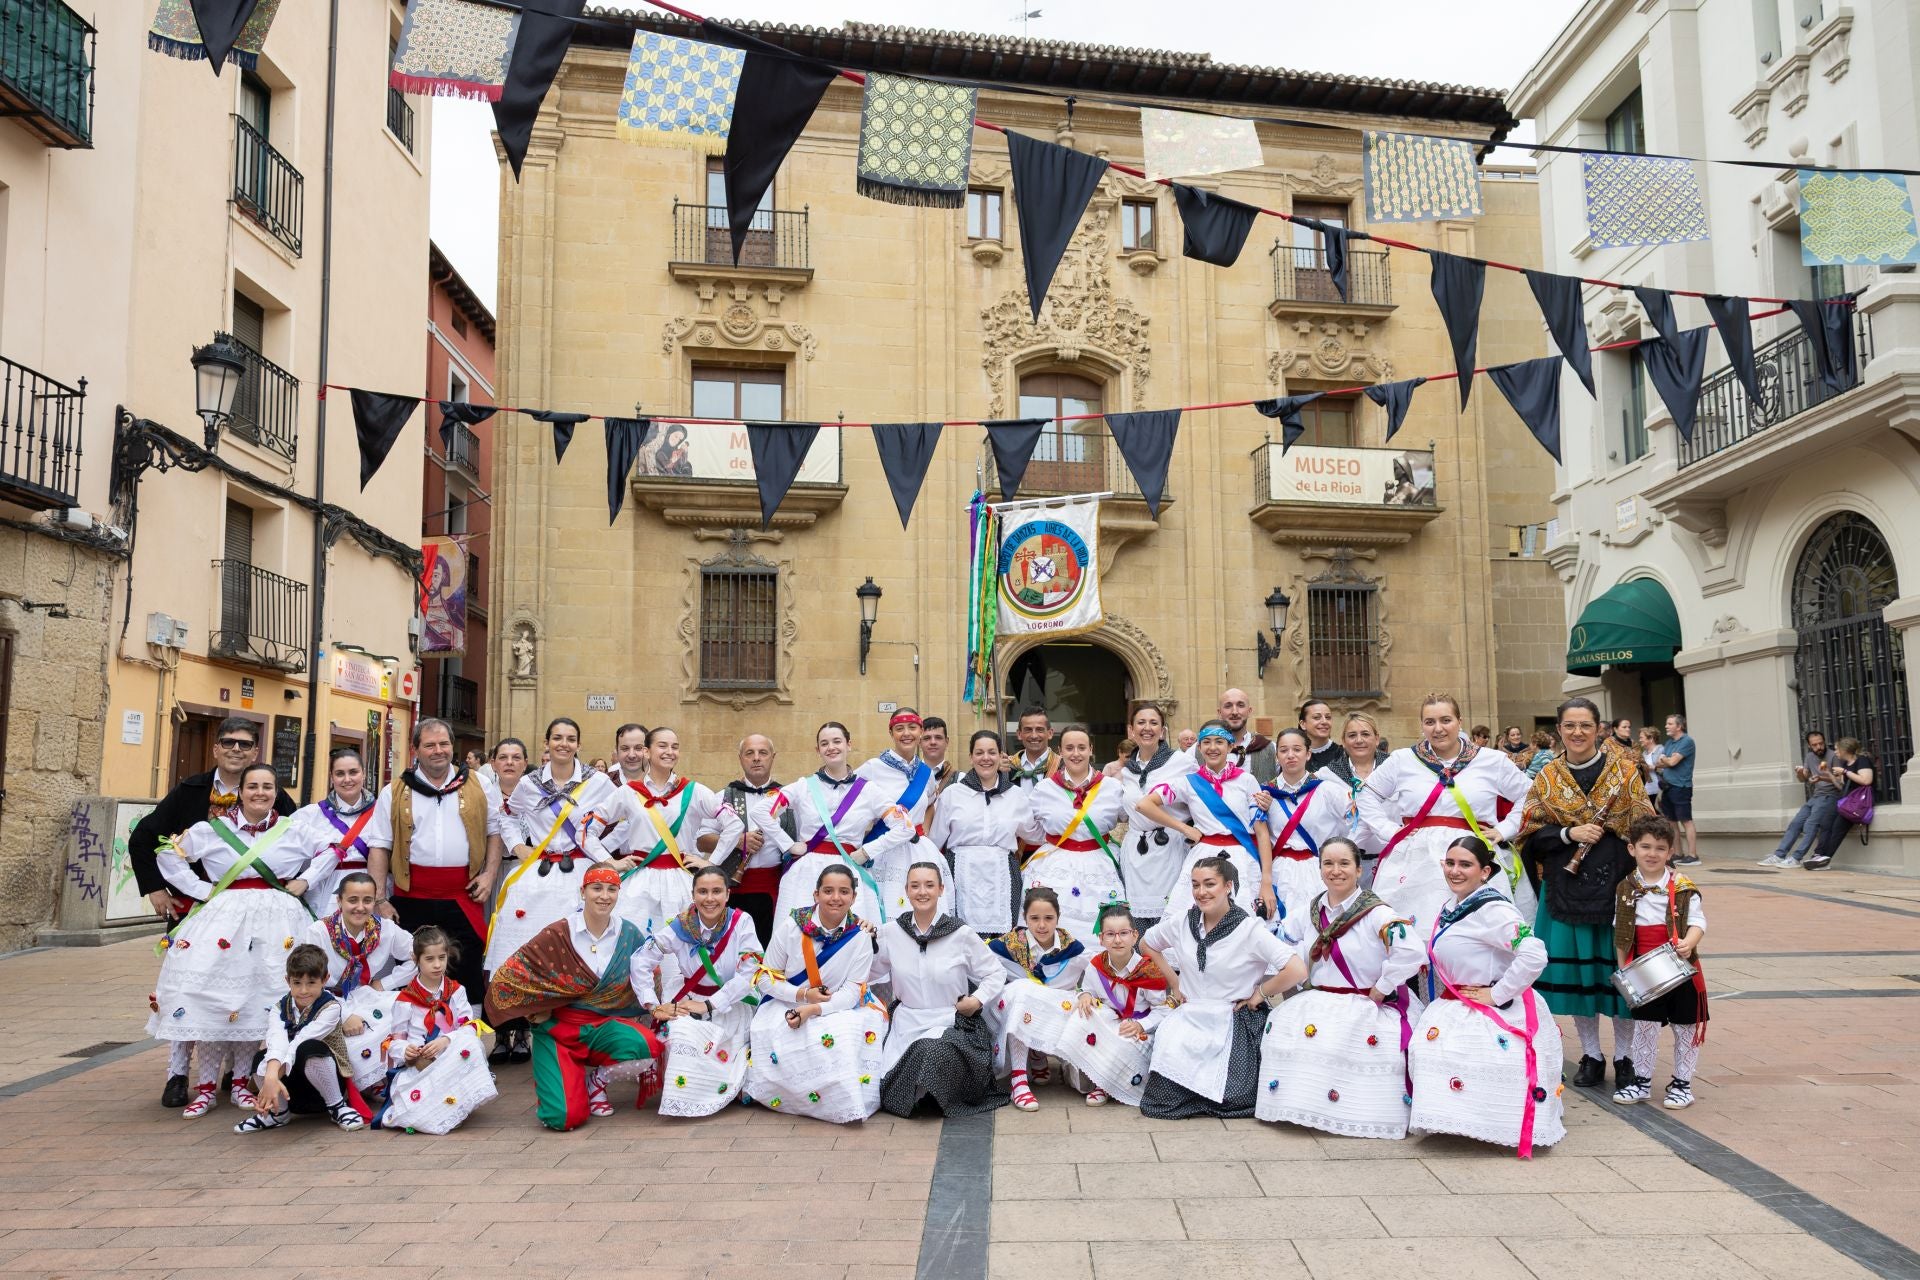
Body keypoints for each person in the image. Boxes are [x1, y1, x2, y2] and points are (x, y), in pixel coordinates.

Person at [129, 715, 296, 1108]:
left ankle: (233, 1074)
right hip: (198, 907)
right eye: (229, 743)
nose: (236, 749)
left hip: (252, 916)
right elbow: (145, 837)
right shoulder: (191, 790)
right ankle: (178, 1074)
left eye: (245, 744)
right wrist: (156, 887)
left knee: (243, 986)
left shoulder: (272, 792)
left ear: (256, 752)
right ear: (216, 748)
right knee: (191, 986)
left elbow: (291, 839)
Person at [148, 761, 315, 1119]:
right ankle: (205, 1086)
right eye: (253, 786)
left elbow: (333, 851)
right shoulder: (212, 830)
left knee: (257, 999)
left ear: (276, 793)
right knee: (213, 997)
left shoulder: (294, 829)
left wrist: (306, 880)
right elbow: (167, 852)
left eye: (267, 787)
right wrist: (199, 889)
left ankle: (240, 1082)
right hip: (223, 921)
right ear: (240, 791)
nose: (260, 793)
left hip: (276, 922)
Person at [1518, 697, 1652, 1091]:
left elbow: (1646, 826)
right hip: (1566, 887)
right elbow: (1529, 834)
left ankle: (1625, 1057)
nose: (1577, 733)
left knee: (1619, 977)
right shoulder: (1546, 778)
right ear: (1559, 730)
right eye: (1570, 726)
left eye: (1586, 726)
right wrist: (1568, 833)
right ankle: (1592, 1055)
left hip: (1617, 888)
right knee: (1580, 978)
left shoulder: (1625, 773)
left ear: (1599, 729)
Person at [1408, 836, 1566, 1157]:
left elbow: (1534, 954)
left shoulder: (1493, 909)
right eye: (1450, 863)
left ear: (1485, 871)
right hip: (1456, 1005)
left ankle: (1490, 1123)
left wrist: (1498, 993)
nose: (1455, 871)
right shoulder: (1452, 905)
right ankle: (1458, 1120)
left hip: (1492, 1008)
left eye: (1465, 864)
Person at [1257, 837, 1422, 1139]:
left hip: (1365, 1003)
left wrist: (1383, 986)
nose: (1336, 871)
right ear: (1319, 868)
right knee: (1287, 1027)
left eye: (1344, 863)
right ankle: (1305, 1109)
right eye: (1328, 864)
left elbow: (1412, 951)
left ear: (1359, 870)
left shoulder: (1377, 913)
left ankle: (1353, 1115)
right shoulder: (1310, 910)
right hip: (1319, 999)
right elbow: (1279, 938)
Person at [485, 865, 661, 1131]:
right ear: (583, 892)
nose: (604, 895)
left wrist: (656, 1004)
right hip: (557, 1030)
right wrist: (533, 1010)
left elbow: (648, 974)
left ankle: (595, 1083)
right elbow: (511, 975)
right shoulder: (558, 932)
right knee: (563, 1119)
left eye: (612, 889)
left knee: (647, 1047)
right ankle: (562, 1079)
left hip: (602, 1026)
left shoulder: (629, 933)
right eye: (597, 888)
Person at [1137, 857, 1306, 1119]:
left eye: (1209, 884)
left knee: (1233, 1098)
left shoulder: (1249, 929)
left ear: (1228, 886)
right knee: (1160, 1102)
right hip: (1190, 1015)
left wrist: (1260, 994)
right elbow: (1147, 944)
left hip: (1232, 1018)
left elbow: (1297, 969)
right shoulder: (1183, 921)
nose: (1201, 892)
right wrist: (1175, 982)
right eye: (1195, 885)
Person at [1359, 693, 1533, 934]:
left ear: (1459, 722)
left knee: (1479, 930)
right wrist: (1390, 832)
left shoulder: (1492, 760)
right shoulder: (1403, 760)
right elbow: (1367, 794)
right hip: (1415, 857)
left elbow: (1530, 795)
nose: (1438, 728)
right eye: (1430, 722)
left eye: (1446, 720)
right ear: (1422, 725)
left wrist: (1505, 830)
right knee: (1410, 931)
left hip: (1473, 851)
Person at [368, 718, 506, 1004]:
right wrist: (380, 899)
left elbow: (495, 832)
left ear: (452, 747)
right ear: (415, 749)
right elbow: (380, 846)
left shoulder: (480, 784)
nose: (438, 750)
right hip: (411, 896)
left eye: (444, 744)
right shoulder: (393, 791)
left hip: (463, 895)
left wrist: (490, 874)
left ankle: (467, 1043)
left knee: (466, 974)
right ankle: (411, 1043)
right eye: (429, 745)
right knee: (412, 974)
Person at [745, 864, 887, 1124]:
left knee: (842, 1034)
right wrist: (802, 996)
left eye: (844, 891)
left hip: (841, 1004)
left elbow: (853, 991)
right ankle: (792, 1098)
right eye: (828, 891)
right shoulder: (791, 926)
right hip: (789, 998)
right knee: (778, 1030)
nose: (836, 898)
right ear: (816, 894)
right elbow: (765, 978)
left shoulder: (860, 936)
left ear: (854, 898)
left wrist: (815, 1009)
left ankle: (842, 1106)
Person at [872, 861, 1009, 1116]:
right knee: (877, 1082)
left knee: (931, 1050)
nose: (922, 892)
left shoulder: (960, 933)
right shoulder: (891, 932)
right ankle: (919, 1093)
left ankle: (931, 1092)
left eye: (929, 885)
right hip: (906, 1023)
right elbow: (870, 972)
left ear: (941, 889)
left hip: (951, 1022)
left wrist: (977, 1000)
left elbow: (995, 972)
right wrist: (864, 943)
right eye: (915, 886)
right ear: (906, 890)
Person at [484, 718, 617, 977]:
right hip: (538, 870)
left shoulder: (598, 782)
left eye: (570, 739)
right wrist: (518, 846)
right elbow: (507, 815)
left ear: (578, 744)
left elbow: (625, 815)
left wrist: (601, 851)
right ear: (546, 743)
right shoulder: (529, 784)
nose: (563, 744)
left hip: (581, 870)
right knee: (526, 935)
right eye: (557, 738)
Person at [633, 866, 764, 1117]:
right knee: (681, 1034)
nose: (710, 898)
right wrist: (652, 1004)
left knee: (741, 1053)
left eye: (717, 891)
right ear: (693, 895)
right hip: (690, 999)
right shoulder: (680, 925)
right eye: (702, 891)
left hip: (730, 1001)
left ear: (728, 894)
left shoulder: (741, 922)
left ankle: (725, 1086)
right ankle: (694, 1095)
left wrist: (711, 1004)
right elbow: (641, 959)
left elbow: (751, 971)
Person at [603, 725, 743, 935]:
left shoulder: (694, 791)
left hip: (680, 880)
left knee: (682, 945)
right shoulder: (628, 792)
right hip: (640, 881)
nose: (670, 751)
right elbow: (586, 830)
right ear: (647, 752)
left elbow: (735, 824)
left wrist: (711, 862)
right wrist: (610, 862)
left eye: (675, 747)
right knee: (636, 941)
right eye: (662, 746)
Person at [1611, 815, 1709, 1109]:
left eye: (1660, 848)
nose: (1652, 853)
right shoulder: (1625, 887)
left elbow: (1698, 922)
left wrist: (1689, 942)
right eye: (1645, 846)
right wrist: (1624, 971)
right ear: (1632, 849)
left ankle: (1682, 1083)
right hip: (1643, 967)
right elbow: (1621, 933)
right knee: (1645, 1026)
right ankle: (1641, 1081)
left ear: (1670, 853)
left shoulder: (1681, 885)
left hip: (1680, 965)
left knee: (1686, 1026)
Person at [1134, 719, 1275, 922]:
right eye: (1206, 742)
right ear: (1198, 747)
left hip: (1242, 859)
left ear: (1231, 746)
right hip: (1203, 857)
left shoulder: (1247, 780)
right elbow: (1143, 805)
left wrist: (1266, 883)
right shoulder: (1189, 782)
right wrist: (1184, 828)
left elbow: (1262, 833)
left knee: (1243, 925)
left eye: (1219, 742)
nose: (1212, 747)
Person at [754, 721, 892, 925]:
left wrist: (868, 851)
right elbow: (761, 810)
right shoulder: (803, 787)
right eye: (825, 743)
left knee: (850, 934)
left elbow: (904, 827)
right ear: (818, 750)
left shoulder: (869, 791)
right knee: (798, 934)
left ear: (849, 745)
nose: (831, 747)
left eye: (837, 741)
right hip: (806, 872)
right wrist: (788, 844)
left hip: (848, 867)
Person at [232, 944, 368, 1133]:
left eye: (311, 983)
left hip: (326, 1087)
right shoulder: (279, 1008)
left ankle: (337, 1107)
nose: (303, 990)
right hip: (288, 1092)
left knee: (309, 1048)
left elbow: (299, 1042)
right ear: (288, 981)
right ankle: (277, 1113)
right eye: (297, 983)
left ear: (325, 979)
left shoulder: (331, 1007)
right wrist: (270, 1077)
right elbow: (277, 1041)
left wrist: (272, 1077)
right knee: (262, 1057)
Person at [378, 925, 498, 1133]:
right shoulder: (406, 1000)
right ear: (416, 960)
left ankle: (455, 1101)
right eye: (429, 959)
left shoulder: (457, 991)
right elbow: (394, 1040)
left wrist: (446, 1040)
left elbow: (469, 1026)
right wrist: (406, 1050)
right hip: (421, 1063)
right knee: (414, 1109)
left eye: (441, 958)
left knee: (472, 1042)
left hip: (450, 1055)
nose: (437, 965)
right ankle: (446, 1106)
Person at [1050, 904, 1171, 1107]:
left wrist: (1142, 1025)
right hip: (1111, 1021)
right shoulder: (1096, 966)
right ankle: (1087, 1076)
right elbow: (1086, 989)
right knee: (1080, 1020)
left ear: (1134, 936)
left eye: (1123, 933)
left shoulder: (1149, 971)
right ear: (1101, 938)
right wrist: (1085, 995)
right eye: (1110, 934)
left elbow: (1163, 1009)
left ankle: (1105, 1085)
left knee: (1121, 1044)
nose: (1117, 940)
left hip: (1138, 1027)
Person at [1019, 724, 1128, 941]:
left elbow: (1129, 818)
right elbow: (1027, 828)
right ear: (1060, 751)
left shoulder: (1112, 788)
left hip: (1099, 861)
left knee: (1102, 928)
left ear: (1091, 750)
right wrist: (1054, 841)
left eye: (1081, 747)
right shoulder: (1045, 789)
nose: (1076, 754)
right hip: (1054, 863)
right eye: (1069, 748)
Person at [989, 886, 1090, 1107]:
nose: (1042, 925)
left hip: (1054, 1011)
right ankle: (1019, 1081)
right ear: (1024, 918)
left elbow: (1098, 973)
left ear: (1058, 918)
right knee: (1023, 990)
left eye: (1048, 918)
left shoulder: (1072, 949)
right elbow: (978, 963)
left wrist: (1085, 992)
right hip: (1021, 1008)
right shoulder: (1007, 946)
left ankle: (1036, 1052)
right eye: (1034, 918)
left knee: (1082, 1008)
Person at [928, 730, 1031, 934]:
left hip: (1003, 874)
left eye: (992, 752)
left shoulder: (1016, 795)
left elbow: (1034, 834)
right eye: (979, 752)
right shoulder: (952, 794)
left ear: (1001, 756)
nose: (986, 758)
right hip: (960, 873)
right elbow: (935, 840)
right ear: (971, 757)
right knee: (959, 935)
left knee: (1004, 939)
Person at [857, 709, 953, 922]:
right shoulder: (872, 768)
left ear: (920, 732)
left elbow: (929, 803)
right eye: (899, 729)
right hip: (884, 849)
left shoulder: (926, 772)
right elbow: (851, 804)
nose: (906, 733)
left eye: (912, 727)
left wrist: (924, 830)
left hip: (918, 849)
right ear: (891, 733)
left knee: (922, 908)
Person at [1107, 701, 1195, 933]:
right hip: (1136, 852)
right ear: (1131, 731)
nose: (1147, 728)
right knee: (1135, 920)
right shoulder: (1126, 771)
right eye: (1141, 723)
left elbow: (1202, 797)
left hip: (1170, 848)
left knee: (1169, 917)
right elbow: (1122, 814)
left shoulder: (1182, 762)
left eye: (1154, 723)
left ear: (1163, 731)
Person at [701, 733, 795, 946]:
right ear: (740, 758)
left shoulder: (790, 796)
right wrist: (735, 840)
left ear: (773, 757)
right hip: (733, 886)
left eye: (763, 753)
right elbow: (702, 840)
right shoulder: (722, 796)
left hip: (776, 886)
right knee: (732, 947)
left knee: (771, 948)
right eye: (749, 753)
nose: (756, 758)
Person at [1258, 727, 1349, 922]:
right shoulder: (1264, 794)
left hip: (1318, 870)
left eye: (1297, 749)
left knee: (1321, 927)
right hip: (1279, 871)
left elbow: (1353, 824)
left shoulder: (1328, 790)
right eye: (1283, 750)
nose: (1290, 755)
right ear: (1277, 756)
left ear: (1308, 754)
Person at [484, 736, 533, 1065]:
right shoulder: (485, 796)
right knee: (494, 954)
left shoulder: (535, 796)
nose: (510, 762)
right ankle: (500, 1031)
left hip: (526, 875)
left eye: (517, 757)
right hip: (493, 874)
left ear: (525, 763)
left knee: (522, 951)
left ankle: (525, 1030)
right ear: (493, 762)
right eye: (504, 757)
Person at [286, 747, 379, 917]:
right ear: (331, 778)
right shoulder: (310, 814)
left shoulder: (382, 813)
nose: (347, 779)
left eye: (353, 772)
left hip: (371, 890)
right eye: (340, 774)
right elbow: (285, 852)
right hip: (324, 892)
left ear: (363, 774)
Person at [1317, 712, 1388, 879]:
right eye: (1352, 735)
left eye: (1365, 734)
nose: (1359, 740)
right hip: (1345, 865)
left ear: (1376, 738)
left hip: (1390, 860)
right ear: (1343, 741)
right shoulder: (1327, 775)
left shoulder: (1393, 769)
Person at [1762, 731, 1838, 868]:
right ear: (1809, 745)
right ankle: (1779, 855)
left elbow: (1840, 781)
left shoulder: (1833, 756)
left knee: (1810, 825)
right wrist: (1799, 774)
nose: (1819, 747)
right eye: (1814, 745)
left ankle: (1796, 858)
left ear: (1825, 741)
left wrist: (1822, 777)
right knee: (1796, 823)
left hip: (1829, 796)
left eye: (1821, 743)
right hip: (1815, 796)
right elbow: (1804, 779)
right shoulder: (1809, 757)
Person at [1805, 738, 1875, 870]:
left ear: (1845, 750)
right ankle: (1818, 854)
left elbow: (1866, 780)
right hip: (1845, 800)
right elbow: (1841, 785)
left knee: (1838, 828)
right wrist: (1828, 774)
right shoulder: (1845, 764)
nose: (1835, 751)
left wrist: (1845, 772)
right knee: (1825, 822)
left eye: (1837, 749)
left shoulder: (1862, 761)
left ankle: (1825, 860)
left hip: (1857, 804)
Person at [1655, 714, 1700, 866]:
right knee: (1671, 821)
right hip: (1668, 786)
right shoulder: (1668, 743)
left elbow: (1673, 762)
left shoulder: (1687, 741)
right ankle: (1678, 853)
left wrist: (1666, 760)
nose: (1666, 726)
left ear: (1679, 726)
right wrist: (1666, 760)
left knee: (1686, 820)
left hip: (1681, 786)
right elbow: (1658, 763)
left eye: (1670, 724)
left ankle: (1693, 855)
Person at [1218, 688, 1277, 783]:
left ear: (1249, 711)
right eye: (1228, 706)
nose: (1234, 712)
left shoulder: (1269, 748)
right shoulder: (1200, 750)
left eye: (1240, 705)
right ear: (1219, 712)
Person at [1008, 707, 1060, 788]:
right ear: (1019, 734)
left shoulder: (1063, 767)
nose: (1034, 736)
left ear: (1050, 733)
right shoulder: (1008, 767)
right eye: (1028, 730)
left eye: (1039, 730)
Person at [1298, 699, 1343, 773]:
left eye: (1328, 717)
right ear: (1303, 724)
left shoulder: (1342, 754)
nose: (1324, 721)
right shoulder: (1293, 754)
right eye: (1316, 717)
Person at [920, 717, 956, 790]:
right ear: (919, 742)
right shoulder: (909, 776)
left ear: (947, 741)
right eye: (927, 738)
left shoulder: (960, 779)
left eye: (938, 737)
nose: (933, 742)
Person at [1637, 727, 1664, 804]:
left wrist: (1653, 768)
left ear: (1651, 739)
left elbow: (1667, 771)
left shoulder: (1661, 750)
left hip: (1659, 790)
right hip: (1647, 791)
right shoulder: (1644, 753)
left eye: (1641, 737)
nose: (1640, 740)